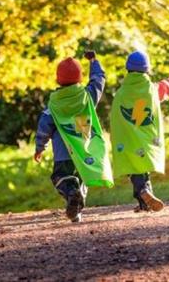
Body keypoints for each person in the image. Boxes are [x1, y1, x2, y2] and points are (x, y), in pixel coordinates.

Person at [34, 51, 113, 222]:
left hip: (63, 154)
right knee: (81, 178)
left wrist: (40, 147)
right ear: (79, 78)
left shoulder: (54, 103)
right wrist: (93, 61)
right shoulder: (87, 96)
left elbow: (44, 126)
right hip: (84, 150)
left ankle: (72, 197)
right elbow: (99, 79)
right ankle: (76, 207)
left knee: (61, 178)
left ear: (58, 79)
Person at [110, 51, 169, 212]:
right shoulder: (152, 90)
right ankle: (145, 197)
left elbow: (117, 116)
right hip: (145, 139)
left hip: (127, 138)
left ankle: (144, 196)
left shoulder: (121, 93)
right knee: (142, 169)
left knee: (135, 170)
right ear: (147, 70)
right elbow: (166, 87)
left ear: (127, 69)